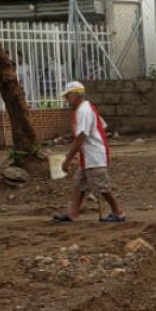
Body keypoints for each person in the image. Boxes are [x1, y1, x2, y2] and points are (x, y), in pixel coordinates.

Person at [52, 82, 125, 222]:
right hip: (89, 155)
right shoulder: (87, 107)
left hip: (94, 156)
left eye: (68, 96)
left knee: (102, 186)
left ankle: (118, 211)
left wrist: (67, 159)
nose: (67, 100)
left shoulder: (83, 111)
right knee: (80, 184)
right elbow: (101, 125)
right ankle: (73, 213)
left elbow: (81, 136)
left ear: (74, 95)